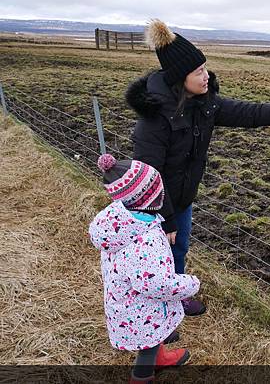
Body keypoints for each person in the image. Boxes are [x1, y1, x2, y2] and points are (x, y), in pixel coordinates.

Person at [125, 19, 270, 316]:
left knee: (177, 251)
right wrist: (165, 219)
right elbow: (148, 177)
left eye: (204, 68)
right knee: (154, 259)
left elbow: (247, 112)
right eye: (199, 71)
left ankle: (173, 299)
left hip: (182, 198)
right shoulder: (154, 119)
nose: (206, 76)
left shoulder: (205, 104)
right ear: (181, 77)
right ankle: (152, 316)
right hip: (152, 206)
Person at [89, 154, 200, 384]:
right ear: (148, 198)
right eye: (159, 190)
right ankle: (141, 377)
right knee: (147, 347)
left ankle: (160, 359)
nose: (163, 193)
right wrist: (189, 284)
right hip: (141, 311)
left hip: (128, 303)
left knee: (154, 335)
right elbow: (156, 284)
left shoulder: (123, 223)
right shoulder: (144, 240)